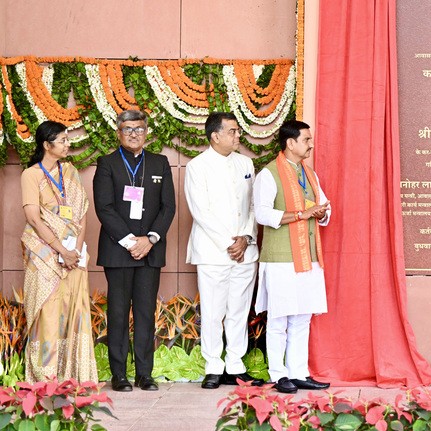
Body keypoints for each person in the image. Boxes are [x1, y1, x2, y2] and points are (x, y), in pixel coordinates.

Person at [94, 109, 176, 392]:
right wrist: (131, 242)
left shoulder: (160, 162)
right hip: (118, 252)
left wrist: (149, 239)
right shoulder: (107, 163)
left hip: (150, 250)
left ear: (146, 132)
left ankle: (145, 374)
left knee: (145, 313)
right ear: (119, 132)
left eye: (139, 129)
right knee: (117, 313)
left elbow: (168, 207)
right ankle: (119, 375)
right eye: (128, 129)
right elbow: (103, 207)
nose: (133, 134)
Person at [185, 112, 263, 389]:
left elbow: (254, 206)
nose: (237, 135)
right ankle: (213, 366)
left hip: (245, 251)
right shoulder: (198, 166)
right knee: (214, 310)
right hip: (213, 252)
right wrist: (229, 244)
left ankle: (235, 365)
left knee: (239, 310)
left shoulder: (246, 163)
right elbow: (200, 210)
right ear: (215, 136)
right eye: (232, 131)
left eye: (237, 131)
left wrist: (245, 237)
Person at [253, 120, 331, 394]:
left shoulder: (309, 174)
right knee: (279, 318)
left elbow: (323, 204)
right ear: (290, 143)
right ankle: (278, 374)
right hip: (280, 259)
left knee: (302, 317)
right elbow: (261, 214)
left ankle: (298, 372)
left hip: (308, 256)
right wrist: (301, 215)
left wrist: (322, 213)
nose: (310, 144)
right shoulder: (269, 174)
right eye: (306, 140)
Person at [21, 121, 97, 382]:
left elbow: (82, 213)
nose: (68, 144)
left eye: (68, 139)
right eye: (63, 140)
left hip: (73, 255)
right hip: (44, 255)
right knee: (48, 313)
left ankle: (73, 376)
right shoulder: (31, 175)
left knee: (72, 311)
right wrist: (59, 250)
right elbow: (33, 217)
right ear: (46, 144)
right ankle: (45, 379)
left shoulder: (71, 172)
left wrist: (74, 249)